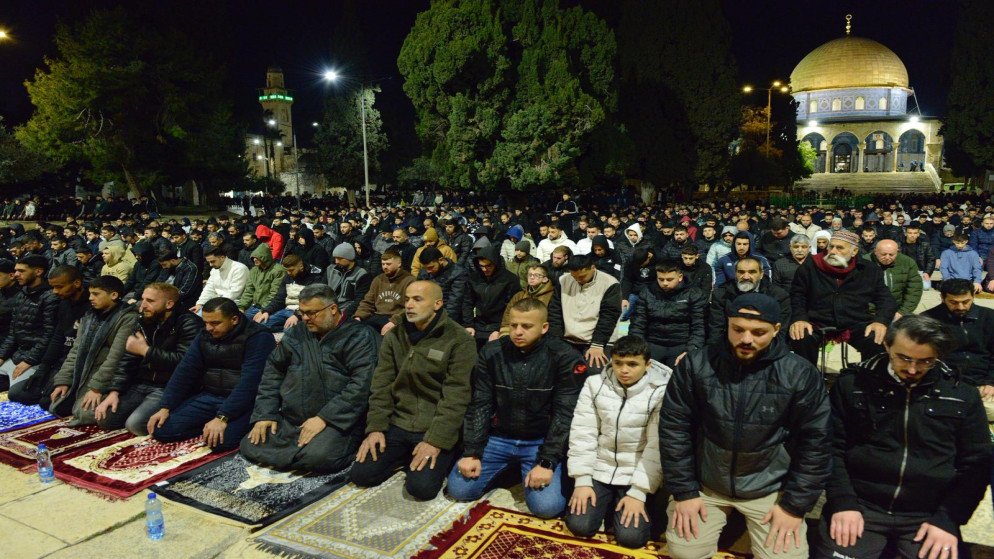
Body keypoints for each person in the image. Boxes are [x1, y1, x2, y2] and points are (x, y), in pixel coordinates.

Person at [660, 293, 830, 559]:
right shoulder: (696, 364)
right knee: (685, 553)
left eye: (758, 332)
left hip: (770, 487)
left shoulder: (799, 373)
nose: (746, 339)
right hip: (707, 483)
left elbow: (817, 443)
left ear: (776, 329)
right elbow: (674, 429)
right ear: (727, 323)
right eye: (737, 329)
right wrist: (684, 492)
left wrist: (794, 506)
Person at [815, 315, 992, 559]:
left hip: (928, 512)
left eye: (925, 361)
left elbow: (976, 464)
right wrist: (842, 501)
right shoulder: (853, 385)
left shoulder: (961, 394)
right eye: (904, 358)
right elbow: (830, 448)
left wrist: (949, 518)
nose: (912, 369)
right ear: (887, 345)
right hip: (862, 503)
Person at [448, 298, 583, 518]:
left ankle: (523, 469)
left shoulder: (564, 356)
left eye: (526, 326)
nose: (518, 332)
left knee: (546, 507)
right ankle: (512, 470)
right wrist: (472, 451)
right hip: (499, 437)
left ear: (544, 327)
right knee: (460, 490)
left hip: (539, 441)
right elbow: (480, 403)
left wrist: (547, 461)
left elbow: (565, 414)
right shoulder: (491, 352)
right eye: (513, 325)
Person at [351, 281, 476, 500]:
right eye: (407, 299)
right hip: (398, 423)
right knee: (362, 475)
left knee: (421, 488)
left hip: (433, 426)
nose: (409, 305)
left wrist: (436, 441)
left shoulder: (459, 339)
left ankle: (449, 452)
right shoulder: (395, 335)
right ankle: (404, 454)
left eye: (417, 299)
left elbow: (456, 396)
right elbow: (381, 384)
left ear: (437, 304)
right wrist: (376, 428)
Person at [241, 285, 379, 473]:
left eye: (312, 313)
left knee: (318, 458)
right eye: (302, 312)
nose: (305, 318)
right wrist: (266, 413)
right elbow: (273, 372)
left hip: (336, 420)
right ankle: (298, 451)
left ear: (333, 308)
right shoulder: (296, 333)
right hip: (292, 419)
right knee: (250, 444)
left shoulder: (359, 335)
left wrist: (324, 418)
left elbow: (361, 384)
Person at [565, 335, 670, 549]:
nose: (624, 370)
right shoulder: (594, 384)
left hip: (636, 472)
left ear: (647, 365)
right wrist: (582, 480)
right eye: (618, 363)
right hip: (600, 467)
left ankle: (619, 507)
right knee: (579, 525)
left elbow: (656, 447)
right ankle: (607, 506)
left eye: (632, 364)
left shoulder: (661, 392)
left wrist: (638, 492)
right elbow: (583, 432)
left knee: (631, 538)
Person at [147, 297, 276, 450]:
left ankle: (217, 425)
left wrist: (223, 416)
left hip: (246, 402)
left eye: (215, 323)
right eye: (205, 322)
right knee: (161, 429)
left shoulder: (258, 336)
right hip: (209, 396)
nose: (208, 328)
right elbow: (185, 370)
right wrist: (166, 406)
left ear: (234, 319)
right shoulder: (205, 334)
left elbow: (250, 383)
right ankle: (207, 425)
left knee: (220, 441)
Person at [94, 283, 202, 434]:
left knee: (135, 425)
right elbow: (128, 360)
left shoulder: (189, 323)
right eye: (143, 299)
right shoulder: (144, 320)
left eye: (150, 301)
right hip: (141, 383)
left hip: (167, 387)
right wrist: (114, 391)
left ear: (169, 304)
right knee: (105, 418)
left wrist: (146, 351)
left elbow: (184, 362)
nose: (143, 305)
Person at [789, 230, 897, 365]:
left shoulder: (869, 269)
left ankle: (866, 375)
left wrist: (880, 321)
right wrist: (799, 318)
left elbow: (886, 300)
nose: (833, 251)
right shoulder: (811, 265)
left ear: (854, 251)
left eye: (839, 248)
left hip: (855, 322)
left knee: (877, 338)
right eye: (831, 246)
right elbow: (797, 295)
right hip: (817, 321)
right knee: (800, 335)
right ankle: (808, 375)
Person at [48, 276, 139, 425]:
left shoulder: (128, 318)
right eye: (90, 293)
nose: (90, 298)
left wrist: (97, 388)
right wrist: (63, 380)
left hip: (109, 378)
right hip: (84, 373)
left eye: (96, 294)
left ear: (114, 295)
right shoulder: (89, 315)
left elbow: (115, 358)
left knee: (85, 414)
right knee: (53, 403)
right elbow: (76, 351)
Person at [7, 265, 87, 408]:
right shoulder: (64, 303)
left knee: (50, 403)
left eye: (59, 287)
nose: (55, 291)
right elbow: (57, 338)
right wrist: (43, 369)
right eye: (53, 287)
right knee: (16, 393)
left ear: (77, 283)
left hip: (77, 365)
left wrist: (64, 377)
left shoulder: (91, 307)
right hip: (60, 362)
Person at [923, 279, 994, 418]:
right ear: (942, 298)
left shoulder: (989, 317)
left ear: (973, 296)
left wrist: (991, 382)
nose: (960, 307)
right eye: (953, 302)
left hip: (984, 380)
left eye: (966, 302)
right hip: (946, 382)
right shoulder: (929, 320)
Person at [548, 254, 621, 371]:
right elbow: (555, 312)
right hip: (567, 339)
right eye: (574, 276)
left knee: (593, 370)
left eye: (582, 276)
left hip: (597, 340)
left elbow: (609, 317)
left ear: (593, 268)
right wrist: (556, 340)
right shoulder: (563, 280)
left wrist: (597, 344)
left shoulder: (610, 283)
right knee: (553, 366)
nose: (578, 280)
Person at [629, 259, 706, 367]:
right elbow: (638, 323)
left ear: (680, 277)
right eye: (661, 279)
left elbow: (698, 325)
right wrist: (637, 347)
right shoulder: (647, 292)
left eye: (669, 279)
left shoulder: (693, 293)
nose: (665, 283)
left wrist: (691, 349)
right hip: (652, 343)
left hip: (681, 344)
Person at [0, 255, 59, 393]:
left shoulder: (50, 296)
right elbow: (13, 332)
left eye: (21, 271)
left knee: (16, 394)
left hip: (36, 359)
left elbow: (49, 335)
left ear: (38, 272)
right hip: (18, 354)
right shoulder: (23, 294)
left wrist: (29, 361)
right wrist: (2, 355)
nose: (16, 275)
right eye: (16, 270)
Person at [709, 257, 791, 345]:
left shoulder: (778, 296)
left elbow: (780, 332)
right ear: (735, 274)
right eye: (741, 272)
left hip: (766, 346)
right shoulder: (721, 295)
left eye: (752, 272)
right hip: (731, 345)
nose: (746, 277)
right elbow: (717, 329)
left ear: (761, 274)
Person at [464, 245, 521, 345]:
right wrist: (469, 325)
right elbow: (467, 302)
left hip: (499, 325)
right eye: (481, 266)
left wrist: (502, 329)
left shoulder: (510, 280)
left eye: (488, 266)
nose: (484, 269)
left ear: (496, 264)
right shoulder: (474, 278)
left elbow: (513, 308)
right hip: (478, 324)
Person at [252, 254, 323, 332]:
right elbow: (279, 298)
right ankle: (283, 327)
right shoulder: (288, 277)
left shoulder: (314, 278)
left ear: (301, 266)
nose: (288, 273)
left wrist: (297, 315)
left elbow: (311, 301)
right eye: (287, 270)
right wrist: (266, 311)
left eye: (291, 270)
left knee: (289, 331)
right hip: (286, 309)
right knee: (261, 325)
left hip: (301, 312)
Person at [354, 248, 415, 334]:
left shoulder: (410, 281)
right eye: (383, 264)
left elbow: (410, 307)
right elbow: (368, 302)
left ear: (399, 264)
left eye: (388, 264)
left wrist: (394, 321)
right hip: (377, 316)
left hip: (397, 318)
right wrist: (359, 316)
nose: (385, 267)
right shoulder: (378, 279)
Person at [865, 240, 923, 319]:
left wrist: (903, 311)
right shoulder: (864, 263)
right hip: (868, 312)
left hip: (896, 311)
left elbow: (914, 290)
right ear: (875, 252)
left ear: (897, 252)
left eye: (891, 255)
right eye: (883, 254)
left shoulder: (907, 263)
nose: (887, 257)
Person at [498, 264, 554, 337]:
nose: (532, 277)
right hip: (517, 333)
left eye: (536, 275)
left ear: (545, 279)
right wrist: (505, 334)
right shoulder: (519, 295)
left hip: (542, 336)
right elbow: (508, 315)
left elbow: (553, 320)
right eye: (530, 275)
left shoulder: (552, 296)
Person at [416, 247, 468, 324]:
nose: (428, 271)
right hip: (426, 312)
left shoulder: (458, 273)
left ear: (441, 260)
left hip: (446, 315)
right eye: (425, 268)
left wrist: (443, 322)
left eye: (431, 267)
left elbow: (454, 302)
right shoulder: (424, 272)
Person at [192, 246, 249, 314]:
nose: (210, 265)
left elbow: (234, 293)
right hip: (216, 302)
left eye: (212, 261)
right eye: (209, 262)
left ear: (222, 257)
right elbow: (209, 289)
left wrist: (213, 305)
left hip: (233, 303)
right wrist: (200, 303)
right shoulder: (214, 270)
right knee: (195, 314)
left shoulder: (239, 268)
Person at [238, 244, 287, 319]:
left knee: (259, 322)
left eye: (258, 257)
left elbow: (274, 294)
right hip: (255, 306)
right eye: (253, 258)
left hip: (270, 308)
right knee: (238, 320)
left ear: (265, 257)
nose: (254, 259)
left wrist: (264, 310)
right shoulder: (254, 270)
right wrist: (242, 307)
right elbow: (249, 291)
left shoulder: (278, 271)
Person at [326, 242, 372, 318]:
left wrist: (343, 315)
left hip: (346, 311)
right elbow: (323, 290)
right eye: (335, 258)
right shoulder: (331, 269)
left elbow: (359, 300)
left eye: (339, 258)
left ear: (349, 258)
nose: (336, 261)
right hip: (328, 307)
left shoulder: (362, 274)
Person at [901, 223, 936, 291]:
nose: (912, 235)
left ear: (918, 234)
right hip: (903, 271)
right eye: (910, 233)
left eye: (915, 233)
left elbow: (931, 259)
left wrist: (927, 272)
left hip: (920, 271)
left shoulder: (924, 244)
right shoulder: (899, 244)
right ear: (905, 234)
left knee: (926, 287)